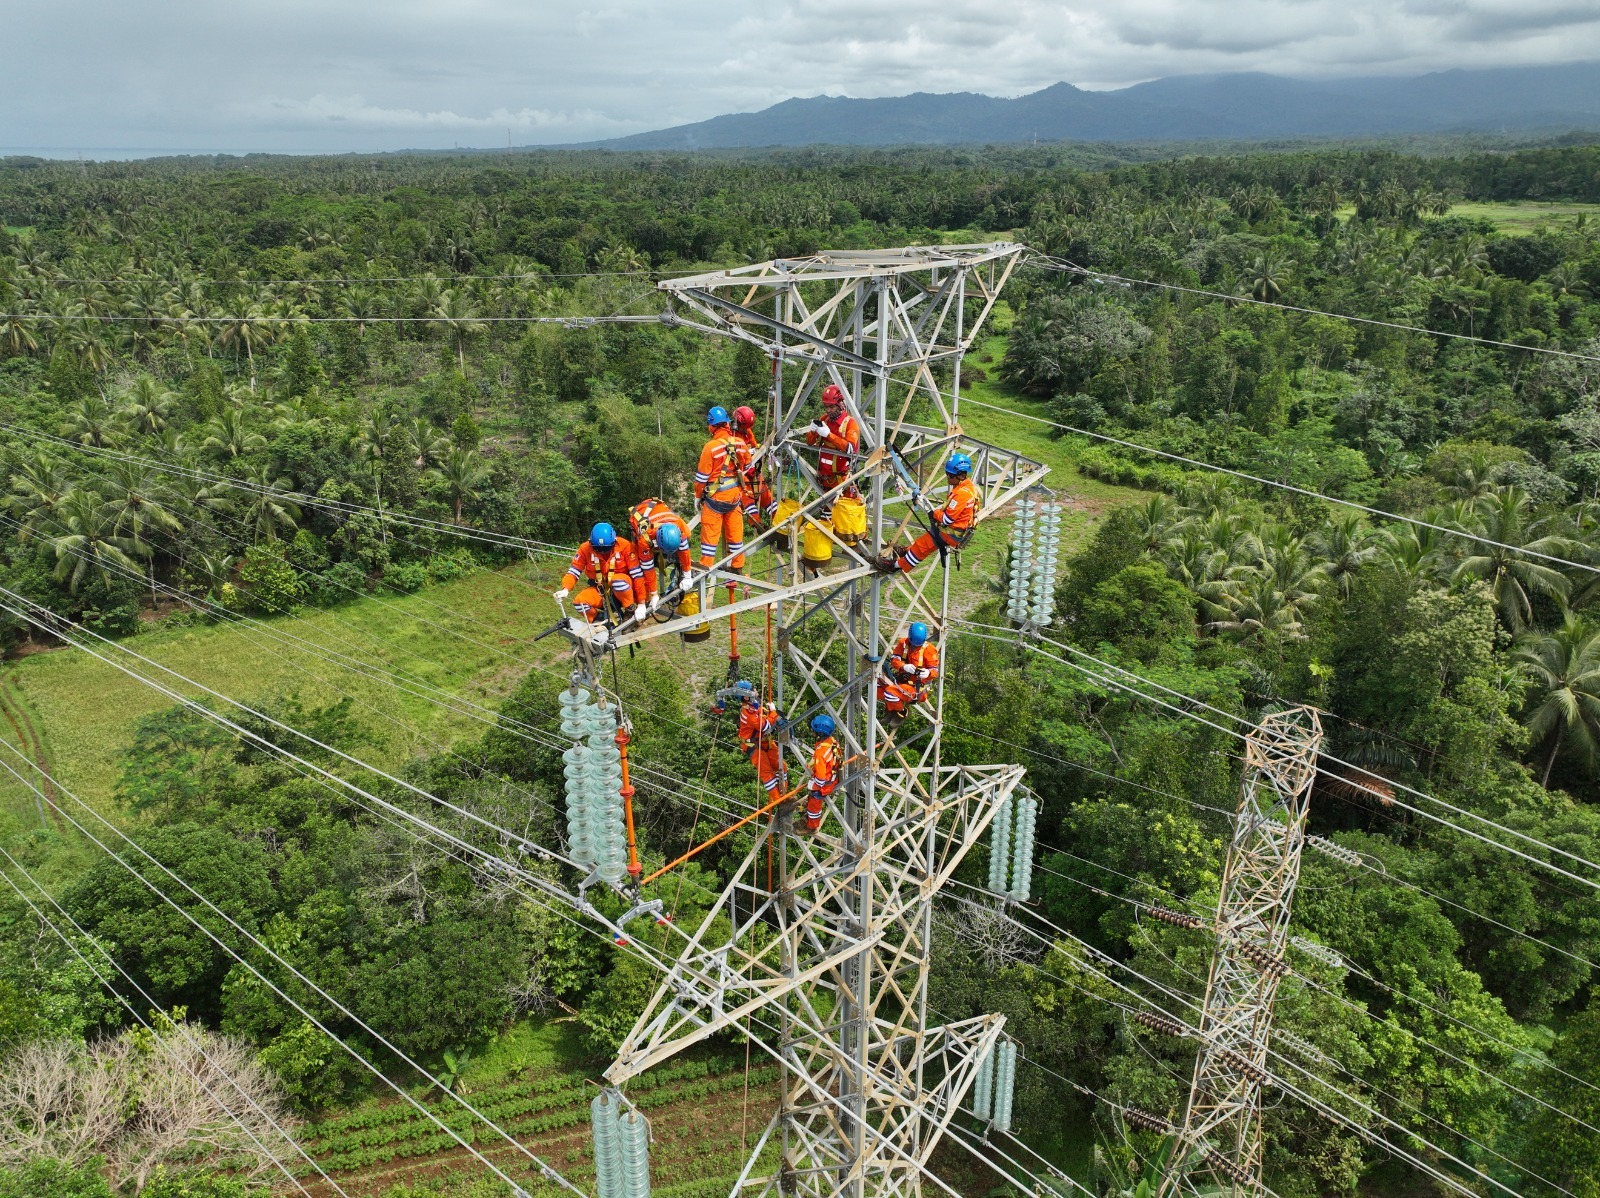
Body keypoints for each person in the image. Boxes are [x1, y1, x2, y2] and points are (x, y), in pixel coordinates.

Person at [878, 453, 978, 573]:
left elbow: (947, 519)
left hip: (950, 533)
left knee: (923, 547)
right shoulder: (969, 487)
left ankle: (894, 566)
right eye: (947, 474)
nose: (947, 477)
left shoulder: (962, 494)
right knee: (922, 541)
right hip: (954, 530)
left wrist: (934, 513)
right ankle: (906, 551)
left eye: (950, 475)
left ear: (961, 475)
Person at [694, 405, 752, 572]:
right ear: (727, 423)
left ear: (711, 426)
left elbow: (701, 479)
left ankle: (706, 565)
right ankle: (737, 565)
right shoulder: (739, 443)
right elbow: (748, 466)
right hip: (734, 498)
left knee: (710, 533)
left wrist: (697, 497)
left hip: (716, 500)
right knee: (735, 532)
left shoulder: (710, 447)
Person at [554, 521, 648, 623]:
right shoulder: (585, 549)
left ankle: (630, 611)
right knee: (579, 603)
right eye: (598, 549)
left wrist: (641, 603)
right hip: (601, 590)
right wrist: (565, 589)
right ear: (590, 542)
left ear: (614, 541)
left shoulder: (625, 546)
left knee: (618, 581)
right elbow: (574, 571)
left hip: (624, 590)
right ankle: (601, 620)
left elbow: (637, 575)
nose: (602, 552)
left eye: (606, 549)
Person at [716, 680, 787, 796]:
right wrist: (773, 712)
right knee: (767, 773)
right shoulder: (748, 713)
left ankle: (784, 793)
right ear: (746, 696)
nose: (756, 691)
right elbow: (764, 726)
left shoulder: (754, 705)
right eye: (753, 690)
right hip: (753, 746)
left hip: (764, 741)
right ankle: (778, 799)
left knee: (781, 766)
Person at [804, 384, 860, 518]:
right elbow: (809, 442)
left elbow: (850, 448)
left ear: (840, 404)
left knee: (844, 520)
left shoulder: (850, 423)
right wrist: (813, 431)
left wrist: (828, 435)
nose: (828, 410)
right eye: (826, 407)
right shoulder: (824, 419)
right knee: (826, 520)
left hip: (842, 483)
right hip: (824, 481)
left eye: (831, 407)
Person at [627, 496, 692, 602]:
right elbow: (648, 568)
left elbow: (685, 552)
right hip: (641, 511)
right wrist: (654, 594)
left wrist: (687, 575)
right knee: (639, 560)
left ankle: (676, 563)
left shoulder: (679, 528)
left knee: (688, 534)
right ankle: (645, 597)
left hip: (658, 508)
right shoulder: (645, 538)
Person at [877, 621, 940, 728]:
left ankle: (901, 713)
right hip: (902, 681)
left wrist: (928, 673)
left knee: (890, 693)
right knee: (878, 685)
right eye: (913, 644)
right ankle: (891, 710)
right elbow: (894, 659)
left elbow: (935, 671)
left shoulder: (929, 650)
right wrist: (903, 666)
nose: (915, 647)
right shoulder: (903, 643)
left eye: (917, 645)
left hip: (916, 688)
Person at [732, 405, 776, 524]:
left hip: (751, 469)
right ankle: (756, 522)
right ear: (737, 423)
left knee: (765, 494)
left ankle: (778, 518)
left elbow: (754, 445)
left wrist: (756, 450)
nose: (746, 430)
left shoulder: (747, 431)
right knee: (747, 497)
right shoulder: (732, 436)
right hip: (740, 472)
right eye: (744, 428)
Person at [803, 714, 840, 833]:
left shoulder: (821, 752)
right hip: (833, 775)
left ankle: (812, 826)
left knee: (814, 798)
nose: (811, 731)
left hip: (826, 783)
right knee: (812, 791)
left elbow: (820, 778)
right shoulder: (831, 741)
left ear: (820, 733)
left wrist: (813, 785)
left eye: (813, 729)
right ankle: (809, 813)